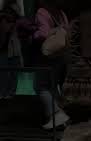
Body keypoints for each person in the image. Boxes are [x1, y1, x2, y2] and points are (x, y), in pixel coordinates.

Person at [32, 0, 70, 129]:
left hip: (46, 57)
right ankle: (59, 119)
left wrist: (34, 34)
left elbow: (43, 34)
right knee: (52, 86)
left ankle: (56, 115)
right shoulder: (61, 14)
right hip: (59, 56)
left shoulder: (42, 12)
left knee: (40, 86)